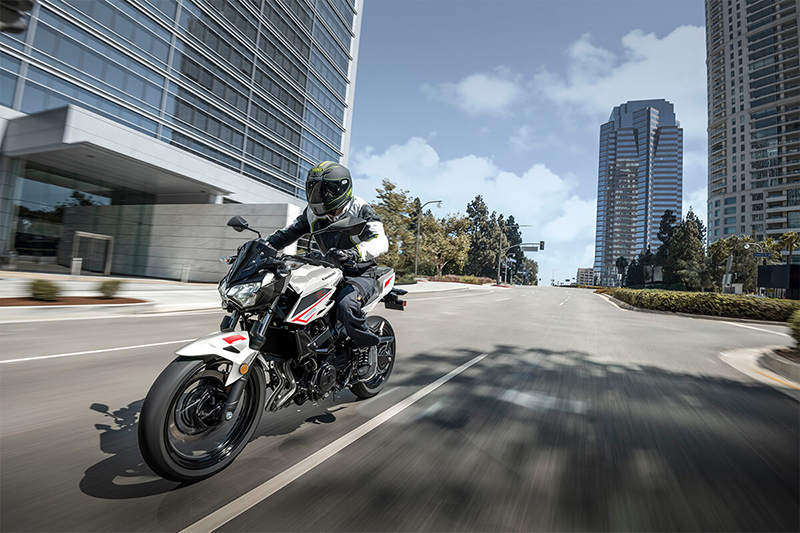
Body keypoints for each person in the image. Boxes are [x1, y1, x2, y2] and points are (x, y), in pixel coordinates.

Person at [266, 161, 389, 379]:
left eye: (324, 190)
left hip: (358, 273)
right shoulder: (312, 213)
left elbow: (380, 240)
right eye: (314, 189)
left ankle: (366, 346)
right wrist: (263, 246)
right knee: (286, 299)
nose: (318, 196)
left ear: (341, 189)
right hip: (328, 270)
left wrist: (354, 253)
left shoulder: (360, 208)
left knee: (346, 304)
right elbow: (287, 233)